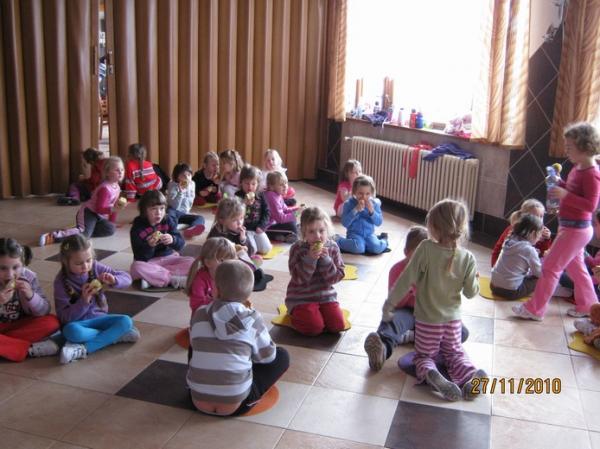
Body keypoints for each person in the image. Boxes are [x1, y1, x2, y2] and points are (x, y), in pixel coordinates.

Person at [382, 199, 485, 401]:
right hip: (453, 321)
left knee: (424, 356)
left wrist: (390, 304)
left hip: (427, 320)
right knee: (455, 354)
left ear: (435, 228)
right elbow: (471, 293)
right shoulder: (468, 257)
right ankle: (471, 376)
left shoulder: (425, 248)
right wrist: (475, 280)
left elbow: (406, 280)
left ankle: (430, 372)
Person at [513, 123, 600, 320]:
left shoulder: (592, 174)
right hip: (571, 227)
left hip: (576, 230)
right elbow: (573, 190)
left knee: (550, 267)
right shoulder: (579, 168)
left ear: (584, 146)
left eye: (569, 147)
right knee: (576, 269)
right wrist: (560, 182)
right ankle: (589, 306)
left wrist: (565, 194)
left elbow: (590, 206)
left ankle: (534, 309)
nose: (566, 150)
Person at [187, 260, 289, 416]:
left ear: (215, 288)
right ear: (249, 293)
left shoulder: (200, 313)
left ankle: (205, 382)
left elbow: (195, 343)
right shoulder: (252, 318)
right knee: (282, 356)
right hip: (237, 405)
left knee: (196, 344)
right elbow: (268, 358)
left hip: (197, 400)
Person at [54, 234, 138, 364]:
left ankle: (84, 348)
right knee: (71, 332)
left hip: (100, 318)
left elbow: (127, 278)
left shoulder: (95, 267)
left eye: (88, 260)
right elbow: (64, 317)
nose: (85, 266)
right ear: (65, 262)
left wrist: (114, 280)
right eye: (78, 263)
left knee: (126, 321)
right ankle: (113, 335)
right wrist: (83, 301)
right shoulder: (60, 282)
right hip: (79, 324)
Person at [39, 156, 127, 246]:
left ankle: (81, 231)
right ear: (107, 172)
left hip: (99, 216)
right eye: (117, 170)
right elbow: (100, 208)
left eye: (122, 170)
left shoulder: (117, 188)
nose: (120, 172)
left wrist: (112, 222)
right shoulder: (105, 189)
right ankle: (53, 236)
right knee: (84, 233)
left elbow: (114, 207)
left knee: (110, 229)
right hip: (89, 213)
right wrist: (113, 209)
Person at [285, 207, 346, 336]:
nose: (318, 236)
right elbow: (298, 279)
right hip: (301, 297)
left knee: (338, 325)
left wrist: (326, 260)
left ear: (327, 229)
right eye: (312, 231)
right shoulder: (297, 249)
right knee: (315, 327)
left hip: (326, 295)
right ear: (304, 233)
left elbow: (336, 277)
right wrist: (310, 259)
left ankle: (319, 314)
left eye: (321, 230)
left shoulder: (333, 247)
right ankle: (295, 315)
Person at [0, 238, 60, 362]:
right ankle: (29, 350)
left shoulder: (29, 277)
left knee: (52, 322)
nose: (10, 274)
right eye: (3, 268)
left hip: (19, 326)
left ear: (23, 265)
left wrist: (31, 296)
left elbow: (44, 310)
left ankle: (7, 345)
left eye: (15, 267)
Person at [130, 190, 195, 289]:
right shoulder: (138, 228)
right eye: (153, 209)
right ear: (144, 211)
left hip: (170, 258)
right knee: (136, 267)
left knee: (193, 262)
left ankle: (154, 279)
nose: (158, 213)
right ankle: (172, 279)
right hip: (150, 262)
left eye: (162, 208)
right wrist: (149, 246)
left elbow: (181, 244)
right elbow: (140, 257)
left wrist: (173, 240)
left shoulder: (168, 220)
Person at [491, 214, 543, 300]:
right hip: (511, 292)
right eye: (539, 234)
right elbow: (538, 273)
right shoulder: (529, 250)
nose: (539, 238)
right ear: (533, 233)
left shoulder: (508, 241)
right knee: (540, 279)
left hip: (493, 286)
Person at [336, 175, 389, 254]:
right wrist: (355, 210)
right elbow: (344, 223)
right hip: (354, 234)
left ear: (371, 193)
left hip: (369, 234)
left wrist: (372, 211)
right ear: (354, 192)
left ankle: (384, 240)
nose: (364, 197)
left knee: (376, 248)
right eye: (360, 193)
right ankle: (338, 240)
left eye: (367, 194)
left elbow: (379, 222)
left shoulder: (374, 204)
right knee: (359, 248)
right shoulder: (348, 204)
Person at [491, 198, 551, 267]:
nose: (539, 220)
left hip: (524, 265)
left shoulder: (541, 231)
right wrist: (495, 265)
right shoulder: (514, 229)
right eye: (535, 217)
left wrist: (546, 239)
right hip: (506, 265)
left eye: (541, 216)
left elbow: (542, 253)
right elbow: (499, 249)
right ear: (524, 217)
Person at [185, 237, 237, 314]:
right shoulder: (199, 280)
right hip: (203, 317)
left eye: (230, 260)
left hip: (221, 314)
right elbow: (197, 305)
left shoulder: (227, 276)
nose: (228, 264)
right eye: (222, 260)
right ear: (208, 263)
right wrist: (218, 302)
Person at [235, 165, 272, 255]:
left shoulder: (260, 195)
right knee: (252, 250)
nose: (250, 187)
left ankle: (255, 242)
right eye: (247, 183)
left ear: (258, 184)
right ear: (241, 183)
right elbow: (234, 213)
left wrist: (262, 226)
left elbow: (267, 212)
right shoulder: (238, 196)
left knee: (266, 249)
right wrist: (244, 203)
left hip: (257, 229)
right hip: (245, 230)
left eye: (253, 184)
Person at [166, 163, 205, 238]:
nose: (187, 178)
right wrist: (181, 192)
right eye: (183, 175)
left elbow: (190, 200)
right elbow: (174, 206)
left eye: (189, 175)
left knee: (200, 218)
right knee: (169, 216)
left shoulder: (192, 184)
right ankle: (172, 230)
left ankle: (192, 229)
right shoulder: (172, 185)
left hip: (183, 213)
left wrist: (187, 212)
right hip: (174, 210)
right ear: (177, 177)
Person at [263, 171, 300, 243]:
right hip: (268, 226)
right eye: (281, 184)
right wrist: (295, 214)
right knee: (292, 225)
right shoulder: (271, 196)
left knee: (292, 220)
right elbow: (280, 218)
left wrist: (297, 209)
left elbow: (285, 209)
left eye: (286, 183)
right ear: (271, 187)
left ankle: (281, 235)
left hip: (275, 222)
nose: (285, 186)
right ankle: (273, 235)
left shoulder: (277, 194)